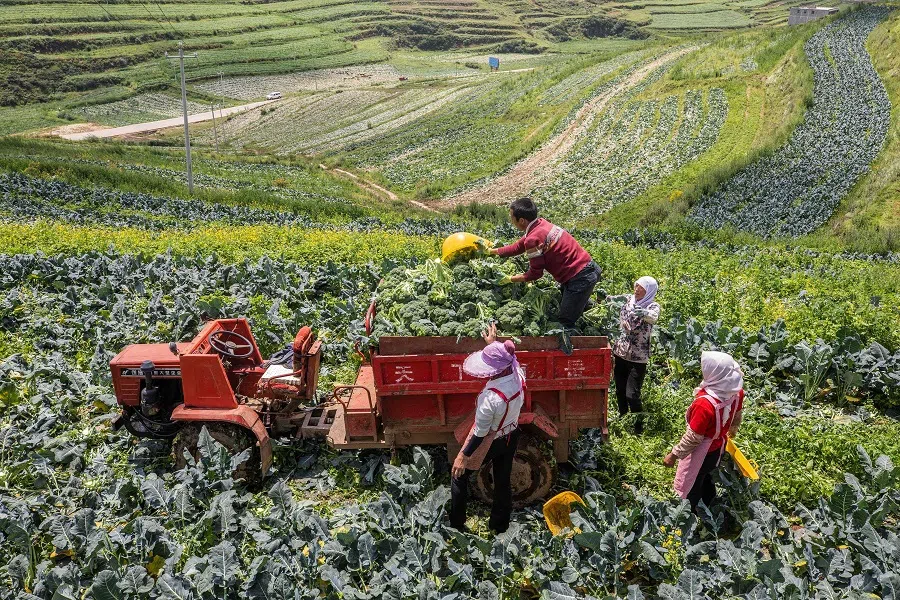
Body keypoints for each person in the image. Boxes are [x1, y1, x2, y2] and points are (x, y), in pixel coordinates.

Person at [487, 197, 601, 352]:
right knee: (570, 306)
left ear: (521, 220)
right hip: (584, 270)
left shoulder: (533, 238)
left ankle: (568, 357)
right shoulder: (541, 225)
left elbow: (535, 274)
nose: (510, 220)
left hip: (580, 277)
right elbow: (517, 247)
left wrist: (510, 279)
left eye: (511, 217)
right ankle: (585, 307)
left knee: (564, 323)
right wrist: (493, 252)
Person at [450, 323, 525, 533]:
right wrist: (494, 345)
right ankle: (499, 527)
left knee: (458, 476)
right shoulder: (517, 374)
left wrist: (463, 456)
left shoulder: (490, 398)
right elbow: (509, 358)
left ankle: (456, 525)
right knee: (503, 480)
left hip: (490, 439)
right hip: (511, 433)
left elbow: (480, 433)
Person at [663, 351, 745, 512]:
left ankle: (690, 516)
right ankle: (710, 507)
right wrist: (733, 429)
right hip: (718, 447)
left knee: (692, 485)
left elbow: (693, 438)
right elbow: (737, 415)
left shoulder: (705, 404)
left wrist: (673, 455)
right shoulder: (736, 391)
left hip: (701, 451)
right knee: (708, 476)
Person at [607, 276, 660, 434]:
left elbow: (653, 317)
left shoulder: (652, 306)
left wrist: (639, 311)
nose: (636, 290)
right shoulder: (628, 300)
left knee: (632, 394)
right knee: (620, 390)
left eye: (641, 288)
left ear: (649, 291)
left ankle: (638, 428)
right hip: (621, 352)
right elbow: (613, 300)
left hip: (638, 357)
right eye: (636, 286)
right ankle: (623, 420)